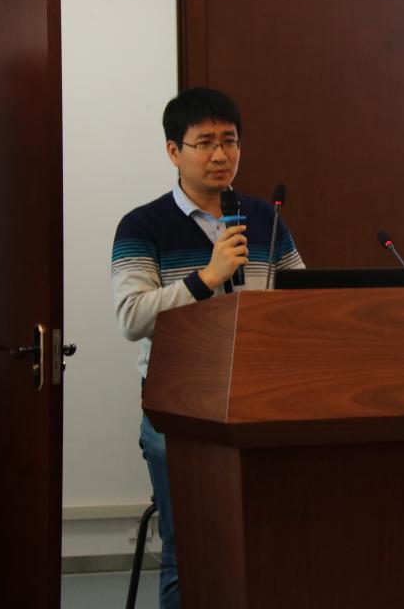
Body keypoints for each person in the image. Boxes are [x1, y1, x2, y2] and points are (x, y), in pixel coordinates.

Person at [111, 87, 304, 608]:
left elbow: (301, 299)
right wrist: (206, 278)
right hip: (178, 411)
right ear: (174, 152)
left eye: (230, 141)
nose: (221, 154)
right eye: (205, 143)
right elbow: (132, 317)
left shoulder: (265, 219)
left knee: (270, 542)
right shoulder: (142, 226)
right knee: (189, 553)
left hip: (262, 404)